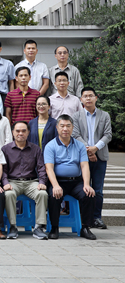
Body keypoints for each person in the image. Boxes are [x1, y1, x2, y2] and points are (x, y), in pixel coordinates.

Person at [44, 115, 96, 240]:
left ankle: (85, 227)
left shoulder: (80, 146)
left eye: (68, 126)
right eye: (62, 126)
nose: (65, 129)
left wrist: (86, 184)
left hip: (76, 182)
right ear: (57, 128)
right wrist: (55, 185)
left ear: (72, 128)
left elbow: (84, 166)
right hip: (58, 181)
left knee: (88, 194)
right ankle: (54, 228)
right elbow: (49, 168)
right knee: (53, 196)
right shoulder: (50, 146)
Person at [73, 87, 112, 230]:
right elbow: (75, 135)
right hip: (82, 157)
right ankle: (84, 218)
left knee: (98, 189)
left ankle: (96, 218)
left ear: (96, 97)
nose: (88, 98)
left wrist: (95, 148)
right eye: (85, 96)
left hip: (100, 157)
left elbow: (108, 135)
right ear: (81, 99)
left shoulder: (104, 115)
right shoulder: (76, 116)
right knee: (83, 188)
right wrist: (88, 150)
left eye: (91, 96)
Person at [1, 121, 49, 240]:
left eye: (23, 131)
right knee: (8, 194)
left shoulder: (35, 149)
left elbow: (41, 168)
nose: (20, 133)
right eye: (17, 131)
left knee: (42, 194)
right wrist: (5, 183)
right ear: (13, 132)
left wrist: (42, 182)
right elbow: (2, 170)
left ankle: (39, 227)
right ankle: (12, 227)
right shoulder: (5, 149)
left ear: (28, 133)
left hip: (31, 182)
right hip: (13, 182)